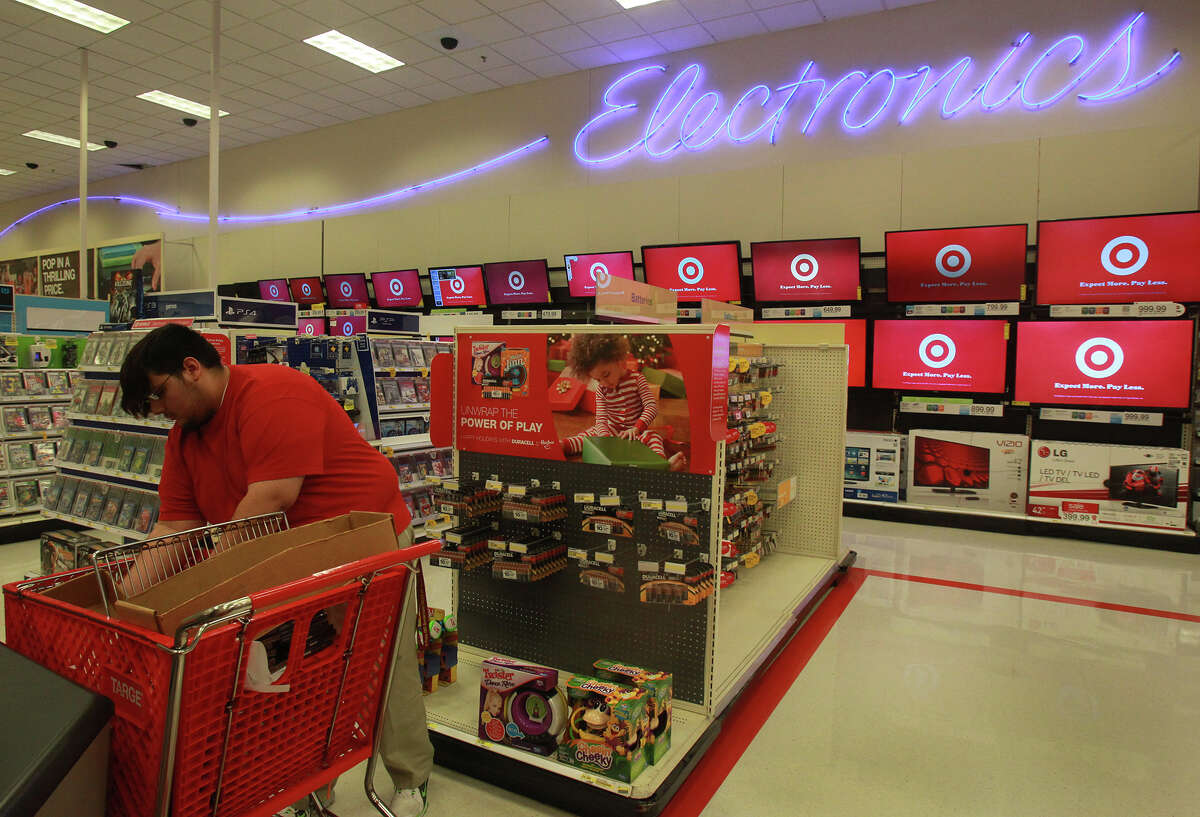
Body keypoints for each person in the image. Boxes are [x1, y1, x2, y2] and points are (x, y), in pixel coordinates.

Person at [118, 324, 431, 817]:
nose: (161, 412)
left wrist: (204, 591)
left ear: (191, 369)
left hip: (366, 542)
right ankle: (312, 782)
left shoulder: (273, 393)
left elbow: (269, 501)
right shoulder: (185, 438)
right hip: (286, 559)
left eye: (159, 395)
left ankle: (409, 777)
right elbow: (172, 529)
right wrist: (124, 607)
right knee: (299, 672)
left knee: (380, 663)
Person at [561, 333, 686, 471]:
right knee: (590, 434)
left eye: (606, 374)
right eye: (598, 380)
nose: (604, 383)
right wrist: (606, 440)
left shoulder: (638, 380)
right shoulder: (601, 389)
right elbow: (601, 419)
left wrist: (637, 428)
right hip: (612, 432)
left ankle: (662, 466)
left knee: (653, 438)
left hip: (635, 433)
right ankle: (564, 446)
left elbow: (651, 407)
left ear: (620, 361)